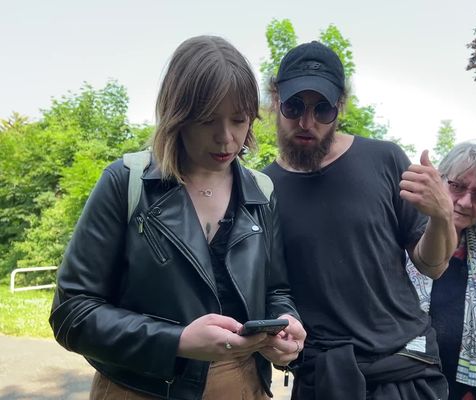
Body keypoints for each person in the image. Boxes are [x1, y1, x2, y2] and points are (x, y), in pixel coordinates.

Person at [49, 35, 305, 400]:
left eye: (239, 119)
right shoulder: (126, 181)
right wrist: (178, 341)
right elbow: (72, 312)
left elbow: (276, 290)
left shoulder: (262, 192)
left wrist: (286, 325)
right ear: (177, 116)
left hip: (244, 385)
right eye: (207, 121)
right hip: (138, 388)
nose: (226, 138)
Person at [263, 41, 457, 399]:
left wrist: (442, 216)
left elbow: (433, 266)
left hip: (402, 369)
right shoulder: (262, 188)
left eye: (322, 109)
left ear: (340, 107)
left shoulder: (384, 159)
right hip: (324, 375)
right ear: (275, 101)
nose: (307, 122)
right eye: (294, 106)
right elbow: (273, 290)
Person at [406, 140, 476, 400]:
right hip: (405, 374)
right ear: (440, 180)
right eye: (457, 186)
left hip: (463, 383)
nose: (465, 202)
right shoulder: (406, 225)